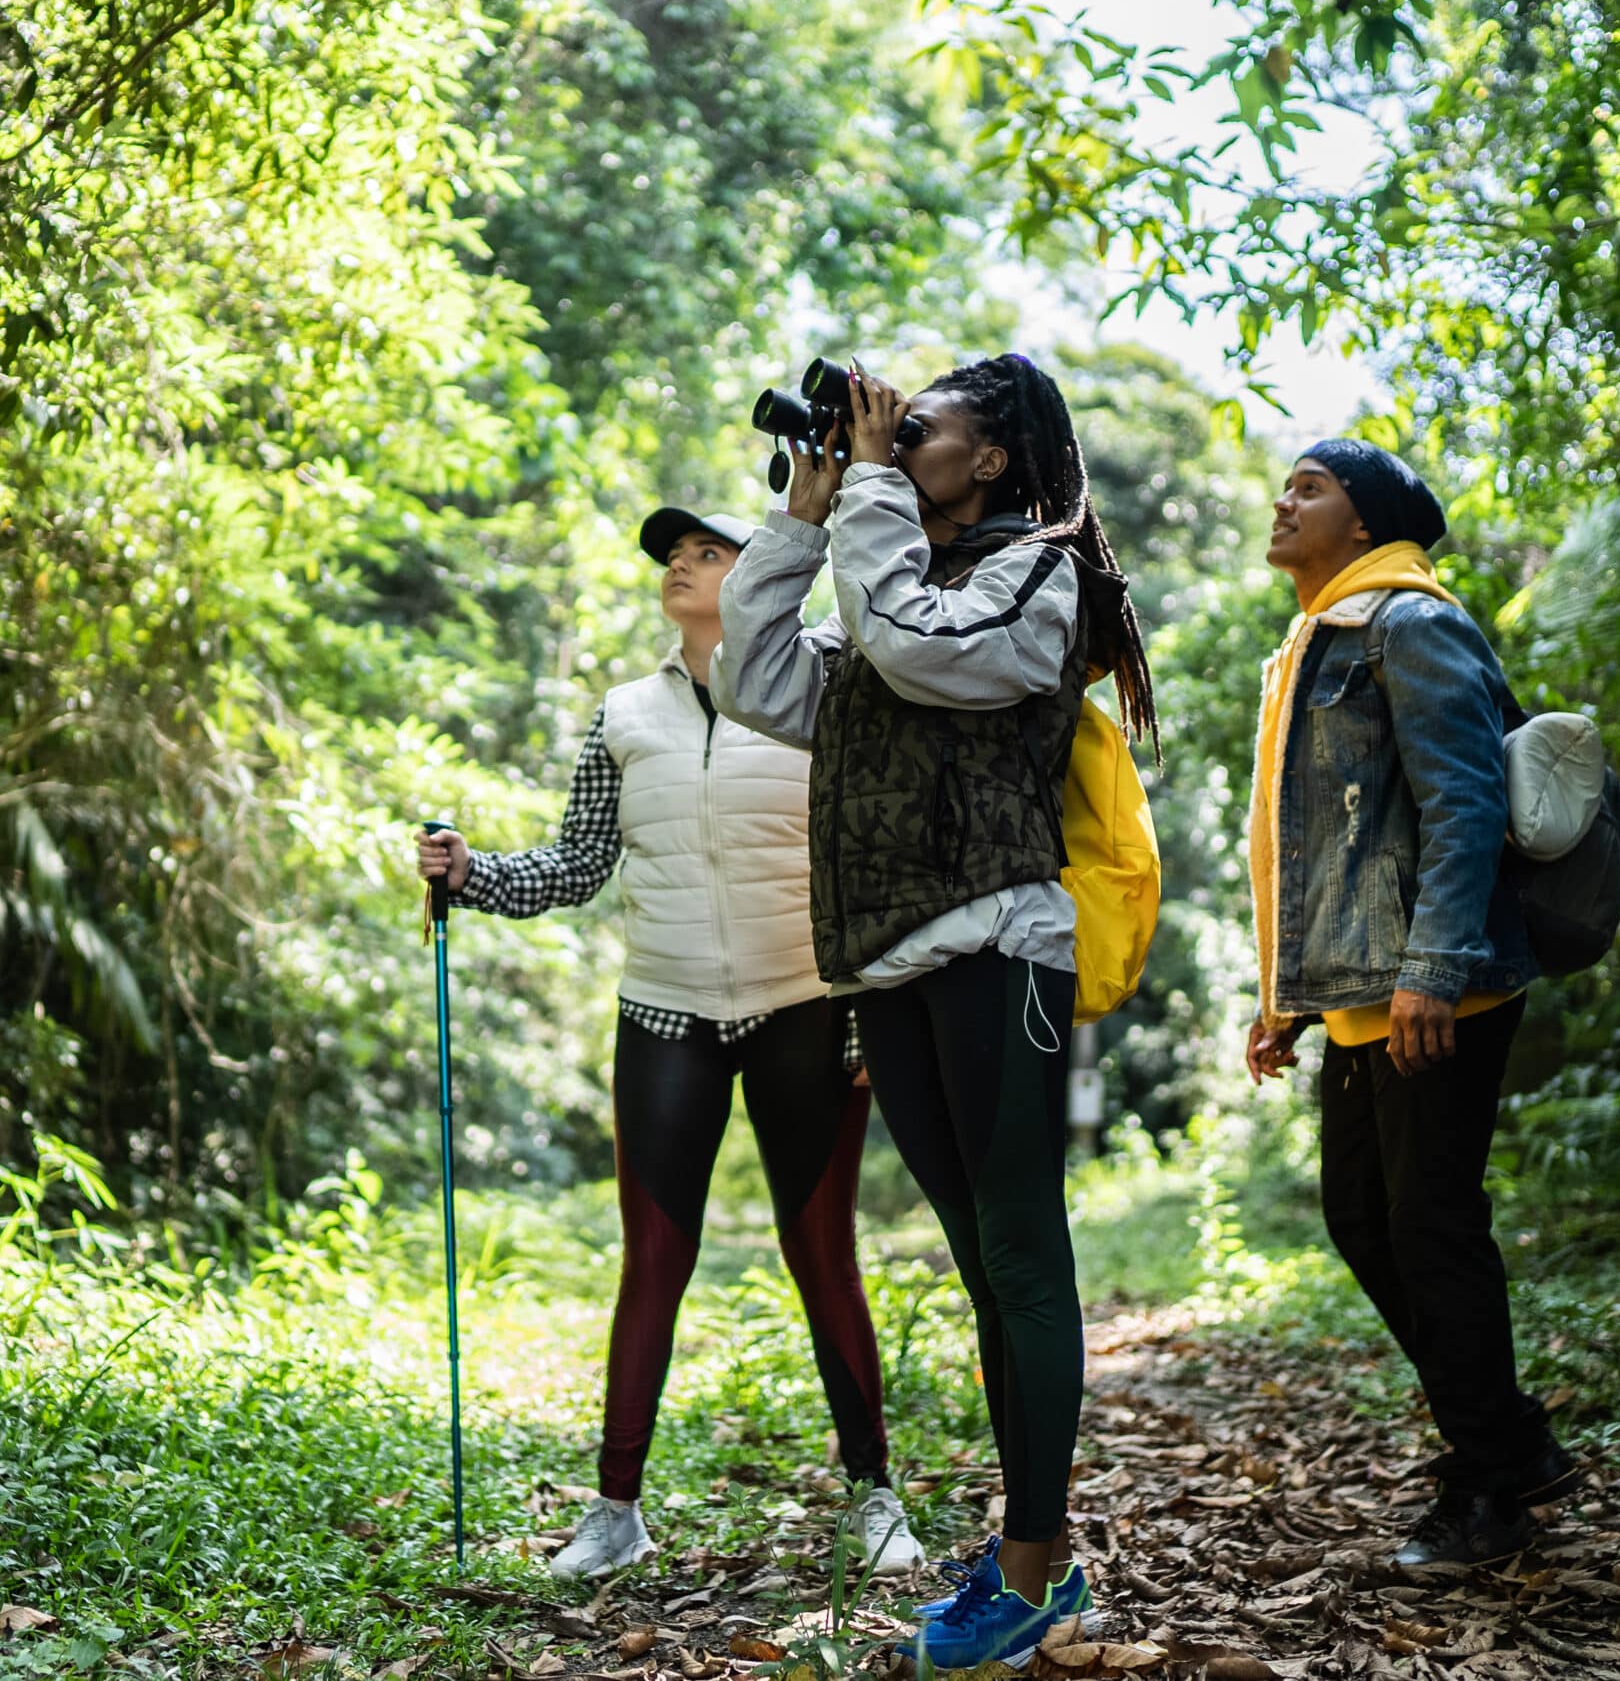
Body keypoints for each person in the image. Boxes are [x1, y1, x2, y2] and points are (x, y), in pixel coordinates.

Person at [713, 354, 1158, 1669]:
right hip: (894, 963)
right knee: (981, 1263)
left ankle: (1026, 1571)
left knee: (1020, 1252)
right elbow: (759, 677)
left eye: (918, 432)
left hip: (999, 944)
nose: (890, 451)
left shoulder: (1043, 572)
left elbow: (919, 647)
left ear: (997, 460)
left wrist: (863, 506)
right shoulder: (892, 570)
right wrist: (805, 511)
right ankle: (1044, 1568)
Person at [415, 507, 925, 1582]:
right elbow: (578, 864)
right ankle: (614, 1513)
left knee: (820, 1252)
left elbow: (878, 853)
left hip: (807, 1008)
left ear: (764, 576)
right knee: (654, 1258)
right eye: (672, 559)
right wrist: (472, 874)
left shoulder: (826, 687)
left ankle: (875, 1498)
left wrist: (880, 1004)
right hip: (663, 1012)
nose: (681, 569)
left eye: (708, 553)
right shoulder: (623, 714)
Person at [1241, 440, 1578, 1567]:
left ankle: (1492, 1483)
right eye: (1285, 485)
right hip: (1358, 995)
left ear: (1368, 522)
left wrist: (1434, 965)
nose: (1285, 502)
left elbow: (1465, 801)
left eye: (1311, 488)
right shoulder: (1317, 638)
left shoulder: (1409, 624)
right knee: (1363, 1221)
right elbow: (1318, 845)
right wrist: (1285, 996)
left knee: (1429, 1228)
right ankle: (1507, 1445)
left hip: (1437, 991)